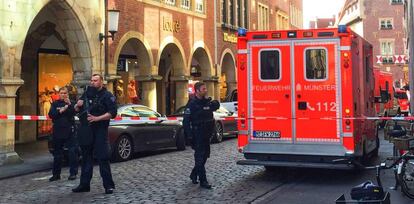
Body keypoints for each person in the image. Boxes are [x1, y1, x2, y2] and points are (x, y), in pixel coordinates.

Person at [72, 74, 117, 194]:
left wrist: (97, 118)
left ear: (101, 82)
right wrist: (77, 105)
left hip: (100, 130)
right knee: (86, 158)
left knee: (103, 158)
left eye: (95, 80)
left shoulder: (107, 95)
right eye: (91, 80)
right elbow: (76, 110)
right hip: (87, 130)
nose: (92, 82)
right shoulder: (86, 94)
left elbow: (113, 112)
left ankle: (108, 185)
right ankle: (84, 184)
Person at [183, 82, 220, 189]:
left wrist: (213, 102)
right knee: (199, 157)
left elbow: (216, 105)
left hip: (207, 134)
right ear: (197, 91)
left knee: (204, 156)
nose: (206, 90)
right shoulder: (192, 104)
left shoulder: (207, 102)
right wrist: (189, 136)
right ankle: (203, 181)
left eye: (205, 88)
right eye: (203, 89)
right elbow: (186, 121)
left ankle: (194, 174)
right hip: (197, 134)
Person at [48, 86, 79, 181]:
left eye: (65, 93)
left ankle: (73, 173)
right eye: (61, 93)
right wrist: (61, 111)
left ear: (68, 94)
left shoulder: (71, 103)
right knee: (57, 154)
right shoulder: (55, 104)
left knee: (72, 152)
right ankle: (56, 174)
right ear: (59, 94)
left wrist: (69, 105)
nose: (63, 95)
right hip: (58, 131)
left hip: (70, 131)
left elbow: (74, 112)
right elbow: (51, 115)